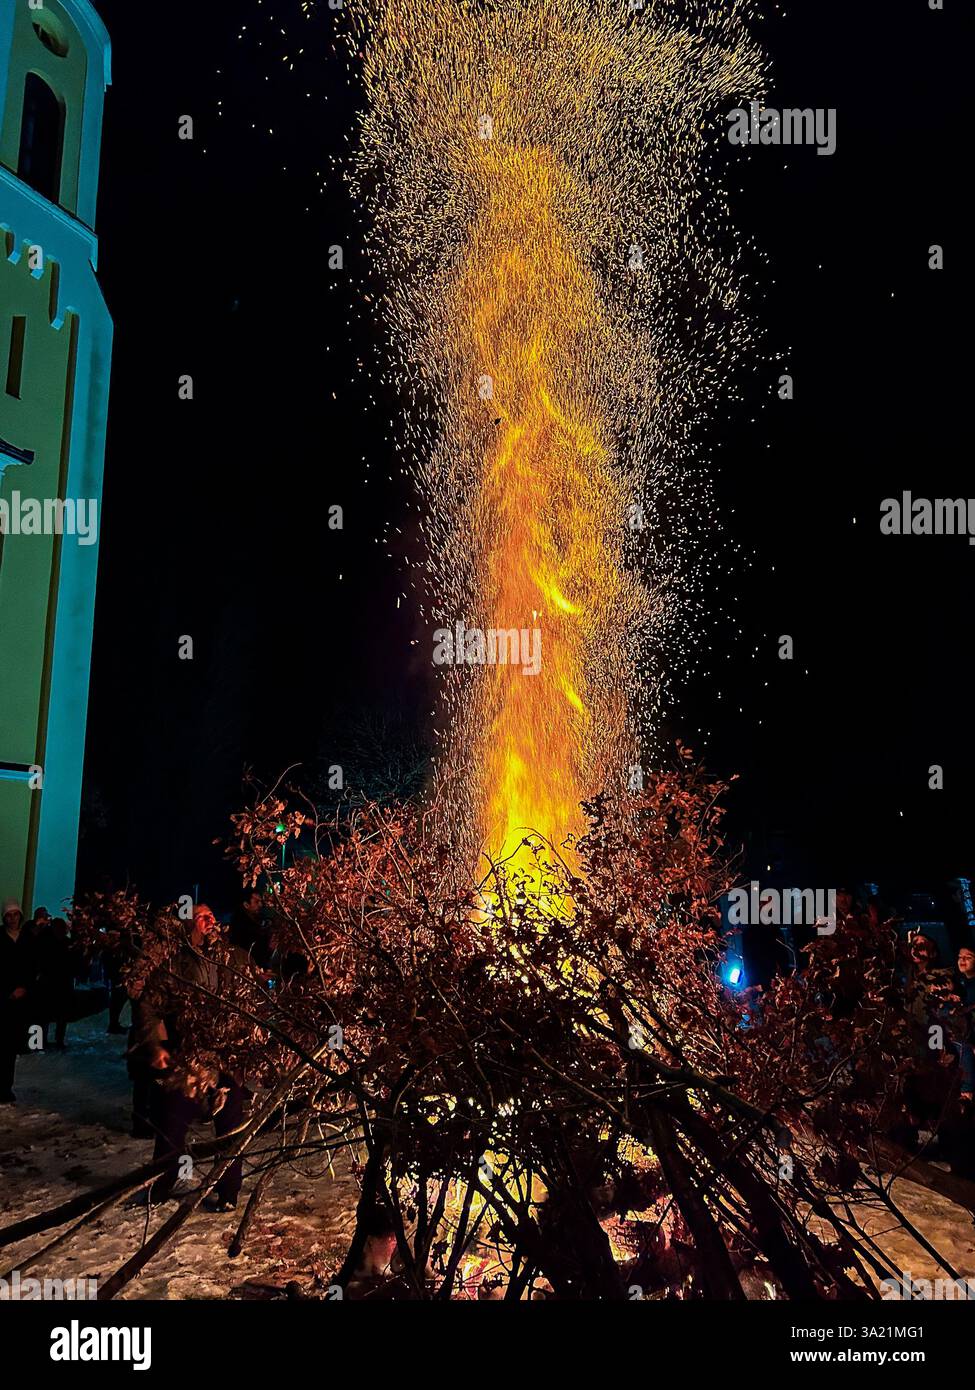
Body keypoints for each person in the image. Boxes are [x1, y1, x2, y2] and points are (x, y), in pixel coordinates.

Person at [131, 904, 249, 1210]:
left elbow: (254, 999)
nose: (210, 920)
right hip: (191, 1056)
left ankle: (228, 1192)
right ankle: (161, 1186)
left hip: (227, 1054)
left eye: (212, 914)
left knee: (231, 1123)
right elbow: (148, 1005)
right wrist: (156, 1046)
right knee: (173, 1121)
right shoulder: (177, 964)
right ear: (189, 925)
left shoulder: (233, 957)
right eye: (201, 916)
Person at [0, 900, 37, 1102]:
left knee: (10, 1048)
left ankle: (6, 1087)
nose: (12, 919)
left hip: (20, 1001)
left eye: (15, 914)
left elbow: (32, 967)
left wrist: (25, 988)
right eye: (9, 915)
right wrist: (7, 991)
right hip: (3, 1000)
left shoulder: (27, 939)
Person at [36, 917, 78, 1050]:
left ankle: (40, 1042)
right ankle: (54, 1040)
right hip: (58, 982)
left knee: (45, 1014)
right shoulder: (65, 943)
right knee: (54, 1014)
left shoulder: (46, 941)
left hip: (52, 982)